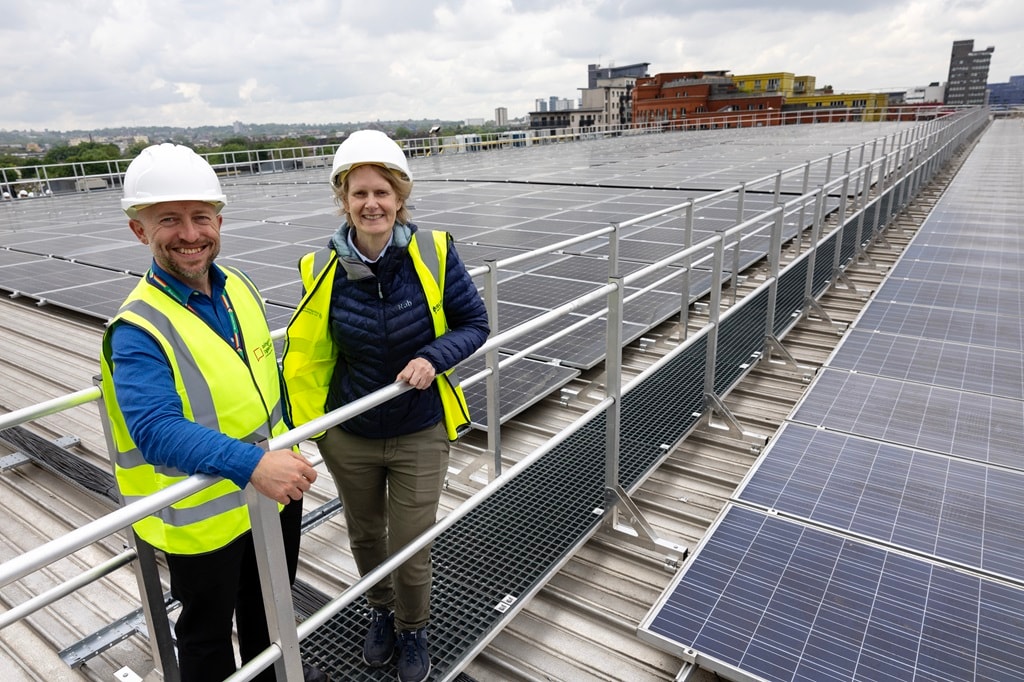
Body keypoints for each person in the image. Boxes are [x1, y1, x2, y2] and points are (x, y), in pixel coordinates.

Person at [98, 143, 328, 682]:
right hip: (204, 515)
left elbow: (262, 379)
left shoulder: (239, 288)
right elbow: (154, 430)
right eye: (168, 220)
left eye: (201, 217)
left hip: (271, 494)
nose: (190, 233)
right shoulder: (137, 328)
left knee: (269, 610)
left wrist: (286, 444)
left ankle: (275, 675)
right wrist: (252, 464)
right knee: (205, 636)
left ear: (219, 221)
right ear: (139, 230)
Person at [282, 130, 489, 682]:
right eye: (358, 194)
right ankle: (379, 612)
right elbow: (310, 350)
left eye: (382, 192)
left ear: (399, 198)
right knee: (366, 534)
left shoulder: (435, 251)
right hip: (350, 432)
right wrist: (313, 426)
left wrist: (433, 357)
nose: (370, 203)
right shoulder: (318, 266)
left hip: (418, 427)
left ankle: (413, 626)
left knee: (410, 540)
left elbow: (476, 324)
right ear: (343, 201)